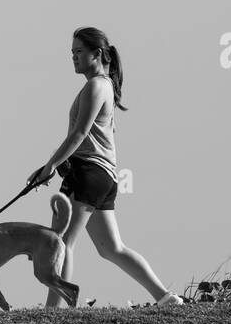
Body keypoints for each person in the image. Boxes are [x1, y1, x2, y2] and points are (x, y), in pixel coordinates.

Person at [27, 27, 183, 308]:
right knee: (111, 249)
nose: (73, 58)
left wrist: (51, 166)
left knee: (61, 242)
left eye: (79, 52)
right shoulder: (102, 86)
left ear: (97, 54)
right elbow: (85, 138)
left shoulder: (96, 86)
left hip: (88, 174)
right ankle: (166, 298)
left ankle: (54, 310)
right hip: (103, 175)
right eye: (71, 53)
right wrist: (48, 166)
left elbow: (79, 134)